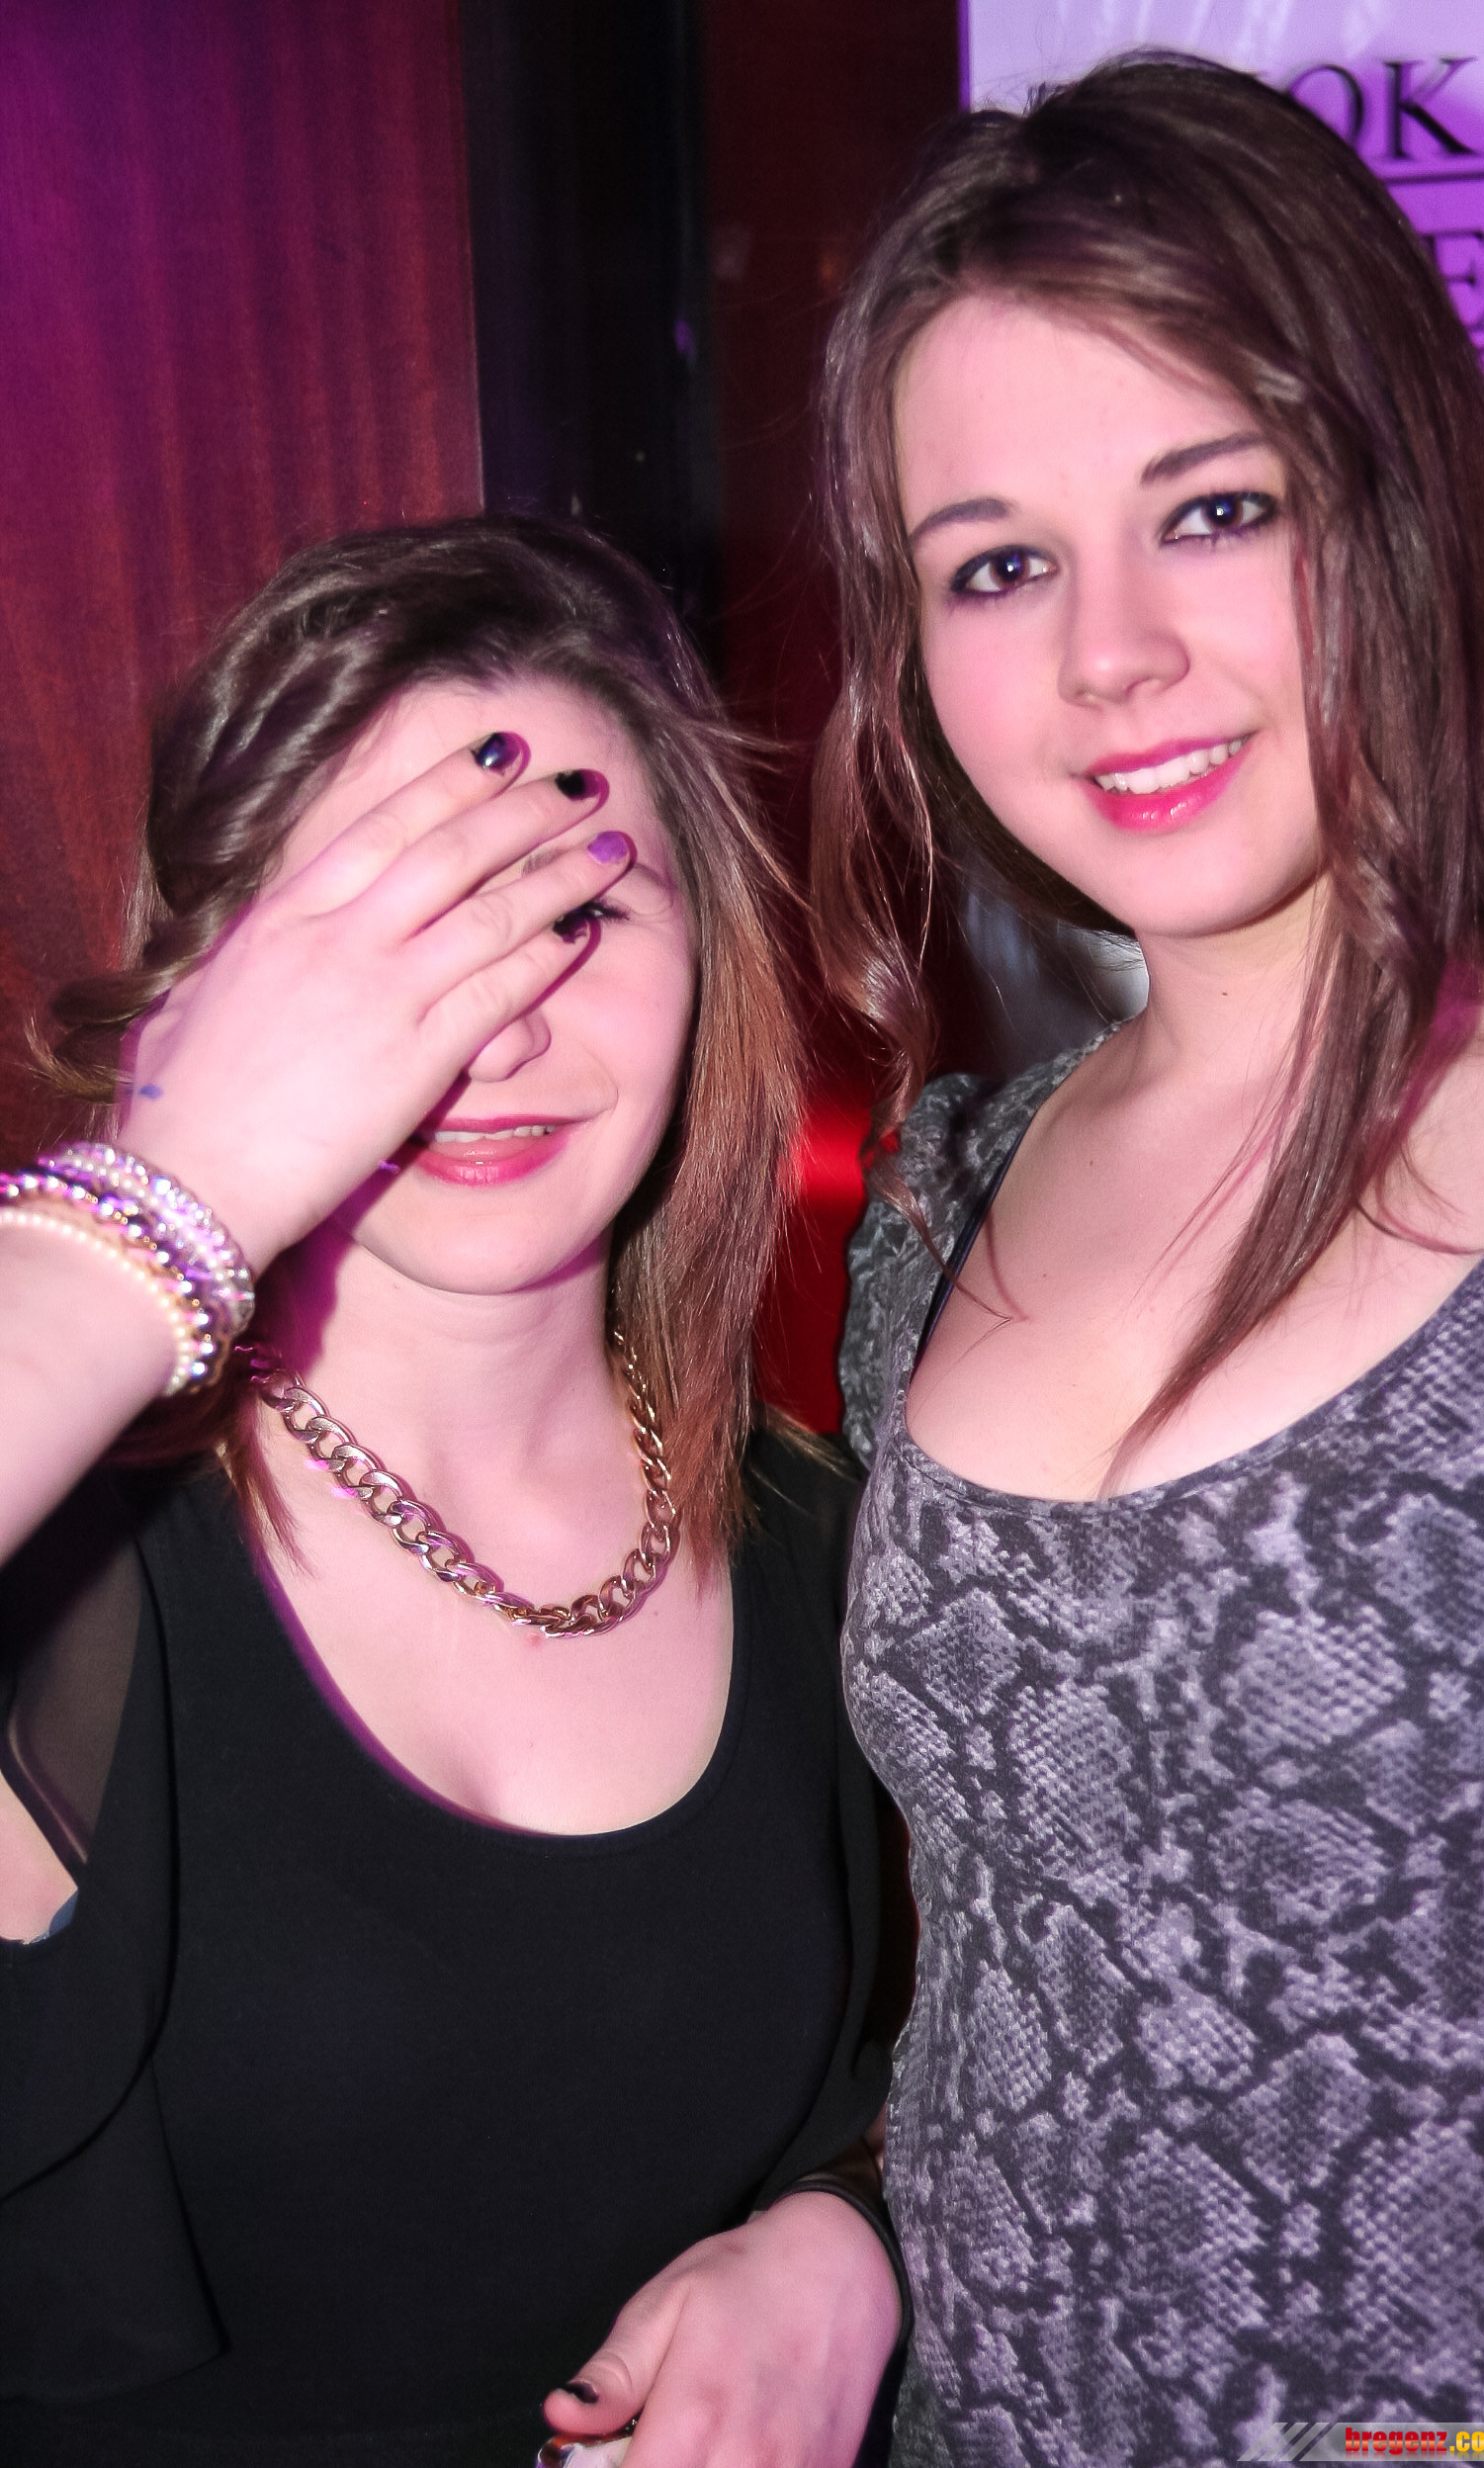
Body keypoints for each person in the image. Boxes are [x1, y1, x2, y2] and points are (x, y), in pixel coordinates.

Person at [809, 50, 1484, 2468]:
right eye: (994, 564)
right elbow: (1019, 1960)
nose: (1109, 653)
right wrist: (833, 2226)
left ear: (1398, 505)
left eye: (1212, 508)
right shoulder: (936, 1203)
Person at [0, 517, 907, 2467]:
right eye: (390, 932)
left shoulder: (824, 1533)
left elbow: (984, 2057)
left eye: (573, 908)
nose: (496, 1025)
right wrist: (175, 1200)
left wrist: (844, 2235)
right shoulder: (62, 1580)